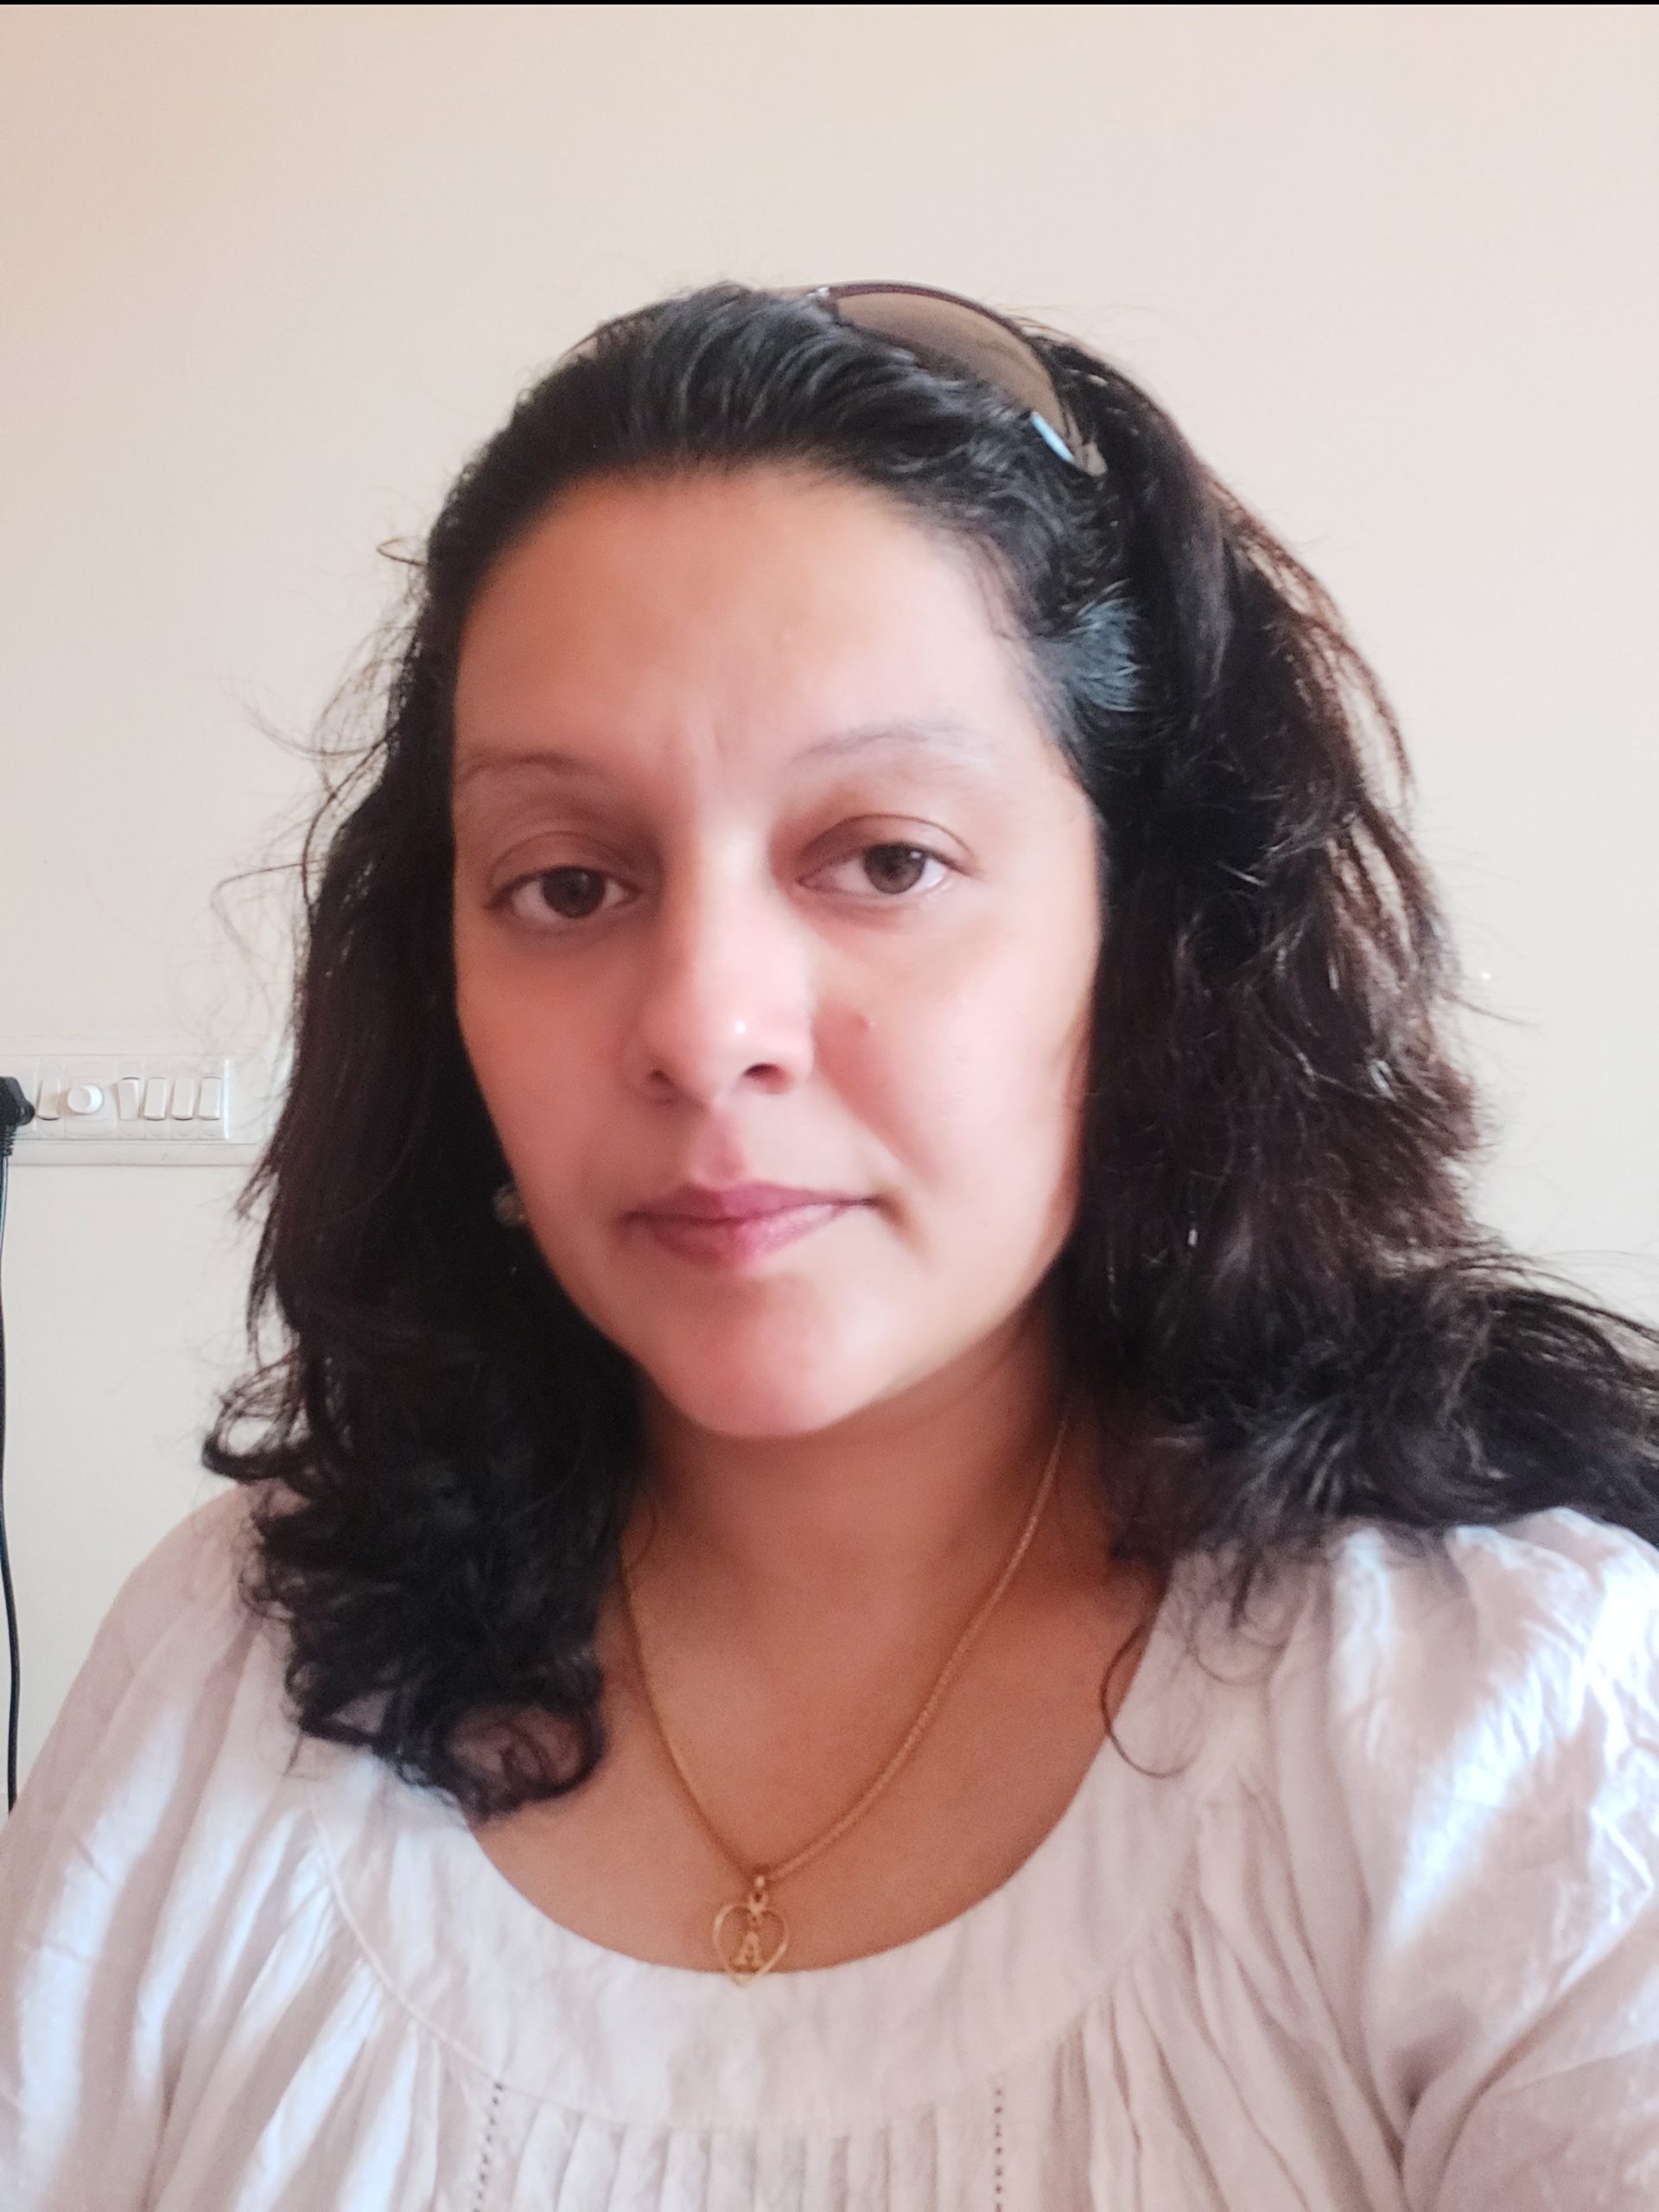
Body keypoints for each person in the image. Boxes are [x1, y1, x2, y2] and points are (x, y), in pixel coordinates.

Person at [3, 280, 1657, 2209]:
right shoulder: (231, 1667)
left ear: (1146, 940)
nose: (705, 1027)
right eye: (568, 883)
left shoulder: (1512, 1719)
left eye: (884, 858)